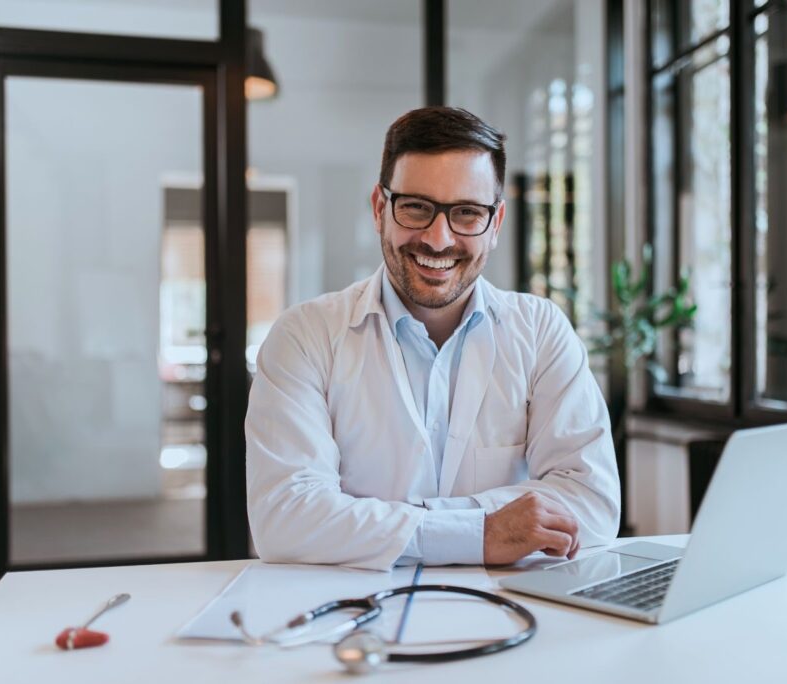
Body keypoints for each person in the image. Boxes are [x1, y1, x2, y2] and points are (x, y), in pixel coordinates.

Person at [246, 106, 620, 571]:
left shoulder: (540, 330)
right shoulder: (304, 336)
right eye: (417, 208)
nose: (439, 239)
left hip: (513, 615)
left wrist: (383, 525)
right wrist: (482, 533)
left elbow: (591, 504)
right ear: (380, 209)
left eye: (466, 213)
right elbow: (284, 519)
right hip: (355, 618)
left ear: (496, 223)